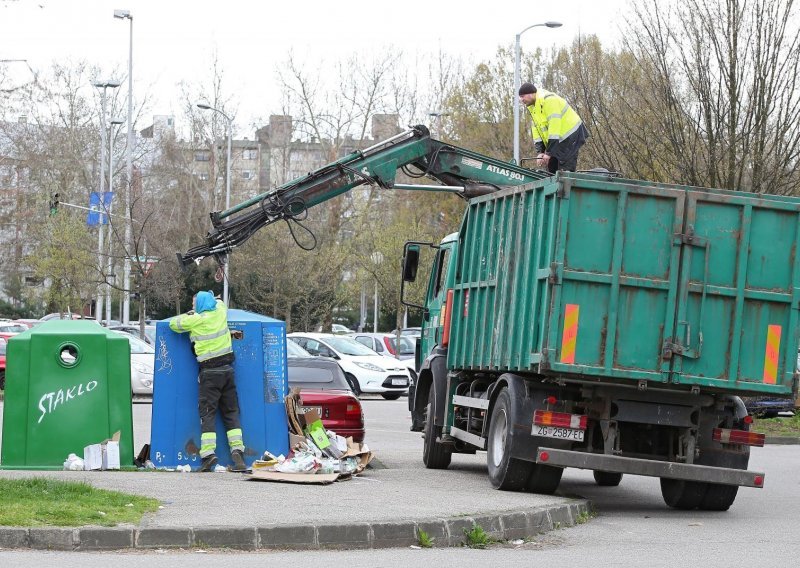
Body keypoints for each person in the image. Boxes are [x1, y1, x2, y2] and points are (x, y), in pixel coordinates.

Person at [169, 290, 247, 472]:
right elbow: (220, 303)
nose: (193, 307)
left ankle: (208, 454)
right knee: (231, 412)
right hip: (228, 371)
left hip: (209, 373)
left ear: (200, 306)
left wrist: (191, 313)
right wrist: (215, 299)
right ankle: (238, 453)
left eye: (195, 304)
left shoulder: (196, 319)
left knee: (208, 414)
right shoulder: (220, 312)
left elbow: (174, 324)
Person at [518, 82, 589, 173]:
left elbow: (554, 127)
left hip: (571, 135)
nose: (521, 100)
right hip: (557, 139)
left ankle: (566, 185)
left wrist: (549, 153)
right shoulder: (533, 107)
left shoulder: (549, 100)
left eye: (523, 96)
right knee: (551, 169)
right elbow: (537, 130)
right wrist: (540, 152)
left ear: (531, 94)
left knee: (564, 169)